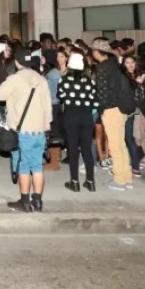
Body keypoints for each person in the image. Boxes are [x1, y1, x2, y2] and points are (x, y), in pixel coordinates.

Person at [0, 48, 52, 213]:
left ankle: (25, 201)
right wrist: (46, 126)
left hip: (23, 131)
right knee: (37, 166)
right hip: (40, 131)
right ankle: (38, 201)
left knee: (24, 166)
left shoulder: (15, 79)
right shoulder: (41, 79)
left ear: (17, 62)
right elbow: (47, 107)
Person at [90, 37, 134, 191]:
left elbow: (102, 93)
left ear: (96, 52)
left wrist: (101, 109)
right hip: (121, 108)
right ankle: (126, 177)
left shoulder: (102, 67)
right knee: (121, 144)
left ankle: (119, 180)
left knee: (115, 146)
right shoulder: (115, 64)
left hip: (110, 110)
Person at [60, 51, 98, 192]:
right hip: (86, 117)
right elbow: (95, 102)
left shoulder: (64, 80)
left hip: (71, 116)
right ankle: (90, 181)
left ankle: (74, 181)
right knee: (87, 149)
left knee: (73, 149)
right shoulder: (90, 82)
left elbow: (60, 97)